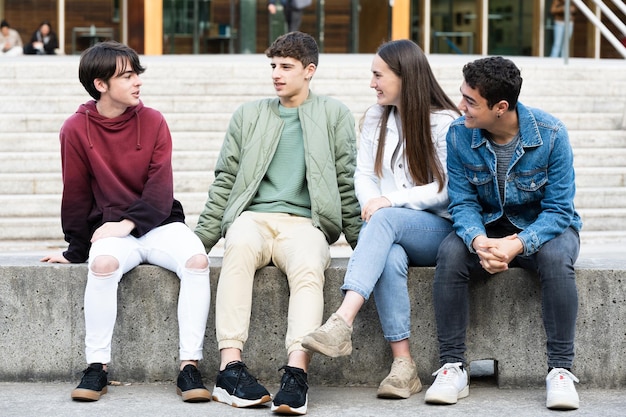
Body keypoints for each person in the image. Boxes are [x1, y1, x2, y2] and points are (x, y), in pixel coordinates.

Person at [194, 31, 362, 415]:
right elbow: (225, 179)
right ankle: (229, 369)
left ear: (309, 71)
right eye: (273, 66)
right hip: (253, 218)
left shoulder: (333, 114)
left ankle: (295, 374)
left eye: (286, 67)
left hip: (306, 224)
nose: (276, 74)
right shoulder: (249, 114)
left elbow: (345, 182)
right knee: (236, 249)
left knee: (308, 268)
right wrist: (198, 243)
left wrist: (364, 245)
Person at [40, 40, 212, 404]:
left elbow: (160, 190)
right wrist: (75, 249)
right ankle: (97, 367)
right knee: (102, 265)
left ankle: (189, 367)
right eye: (128, 76)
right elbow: (75, 193)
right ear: (100, 84)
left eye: (137, 74)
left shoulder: (153, 121)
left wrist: (127, 224)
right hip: (112, 231)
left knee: (197, 262)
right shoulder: (75, 129)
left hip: (161, 223)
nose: (138, 82)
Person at [301, 39, 459, 400]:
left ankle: (342, 321)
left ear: (405, 77)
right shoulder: (377, 116)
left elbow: (446, 189)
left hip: (438, 229)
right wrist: (373, 200)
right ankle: (404, 366)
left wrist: (388, 201)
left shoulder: (444, 122)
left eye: (378, 75)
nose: (372, 83)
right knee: (388, 255)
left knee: (385, 220)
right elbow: (363, 175)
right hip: (391, 231)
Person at [423, 56, 582, 410]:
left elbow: (559, 211)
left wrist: (518, 245)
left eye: (470, 101)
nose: (460, 105)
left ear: (501, 107)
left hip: (545, 228)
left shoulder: (552, 134)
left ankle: (560, 371)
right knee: (450, 252)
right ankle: (452, 366)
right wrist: (479, 241)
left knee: (557, 259)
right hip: (489, 228)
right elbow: (462, 204)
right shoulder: (459, 134)